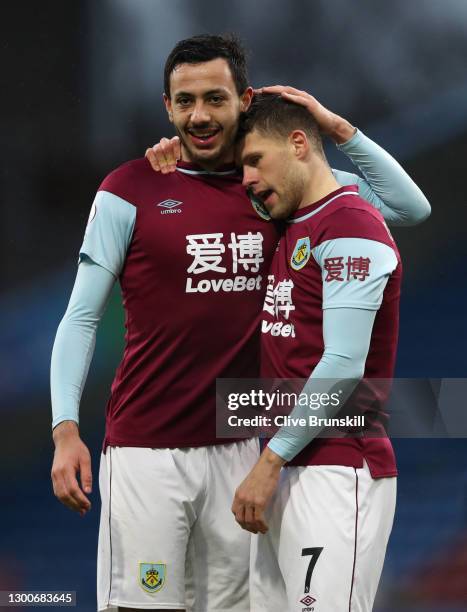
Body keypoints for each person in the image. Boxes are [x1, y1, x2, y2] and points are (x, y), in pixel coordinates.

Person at [50, 35, 430, 612]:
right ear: (167, 108)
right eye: (184, 102)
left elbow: (408, 208)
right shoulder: (129, 190)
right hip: (146, 450)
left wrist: (333, 127)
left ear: (242, 100)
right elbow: (80, 317)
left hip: (245, 450)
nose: (199, 116)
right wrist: (64, 428)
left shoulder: (275, 194)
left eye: (214, 99)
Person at [230, 91, 405, 611]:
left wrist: (339, 126)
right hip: (289, 466)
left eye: (255, 160)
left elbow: (344, 365)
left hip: (335, 467)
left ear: (300, 143)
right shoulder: (296, 222)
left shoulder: (351, 222)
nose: (247, 180)